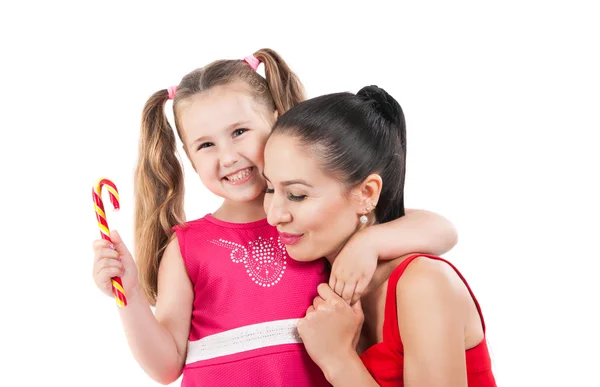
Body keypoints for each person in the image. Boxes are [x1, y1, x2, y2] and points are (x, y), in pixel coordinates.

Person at [92, 49, 459, 386]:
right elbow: (166, 365)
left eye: (239, 132)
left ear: (276, 121)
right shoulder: (189, 246)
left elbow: (441, 230)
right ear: (188, 156)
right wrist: (133, 295)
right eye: (205, 145)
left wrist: (369, 241)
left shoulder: (314, 225)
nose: (229, 156)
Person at [263, 85, 497, 386]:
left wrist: (338, 360)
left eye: (296, 195)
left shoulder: (423, 284)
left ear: (366, 192)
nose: (273, 215)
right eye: (270, 188)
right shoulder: (316, 277)